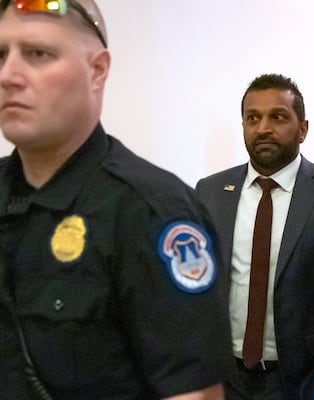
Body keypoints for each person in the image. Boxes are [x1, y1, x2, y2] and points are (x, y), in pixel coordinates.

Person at [0, 1, 233, 399]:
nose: (8, 75)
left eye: (38, 54)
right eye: (1, 55)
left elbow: (193, 394)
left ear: (97, 70)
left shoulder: (153, 212)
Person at [194, 73, 314, 400]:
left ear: (303, 129)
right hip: (225, 378)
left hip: (305, 380)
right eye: (252, 118)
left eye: (277, 117)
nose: (263, 128)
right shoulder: (211, 191)